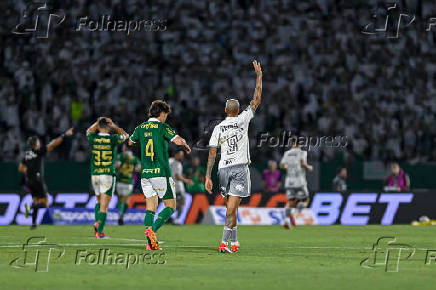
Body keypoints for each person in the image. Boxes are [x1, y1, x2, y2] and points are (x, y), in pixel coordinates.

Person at [205, 60, 262, 253]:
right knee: (231, 208)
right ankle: (223, 243)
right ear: (237, 111)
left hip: (222, 170)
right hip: (238, 169)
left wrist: (207, 176)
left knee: (231, 207)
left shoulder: (218, 127)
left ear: (225, 111)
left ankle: (234, 241)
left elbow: (212, 152)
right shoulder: (243, 119)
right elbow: (256, 99)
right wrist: (259, 76)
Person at [128, 100, 191, 250]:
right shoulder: (162, 127)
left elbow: (130, 142)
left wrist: (142, 141)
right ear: (162, 113)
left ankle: (150, 243)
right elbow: (177, 141)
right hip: (161, 173)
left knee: (151, 206)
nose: (165, 118)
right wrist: (185, 144)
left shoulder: (141, 128)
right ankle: (152, 231)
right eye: (165, 115)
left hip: (146, 175)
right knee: (171, 206)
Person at [19, 128, 74, 229]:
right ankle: (30, 207)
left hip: (29, 181)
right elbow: (53, 144)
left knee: (36, 201)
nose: (39, 143)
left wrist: (29, 171)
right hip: (38, 180)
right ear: (35, 144)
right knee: (46, 204)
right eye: (38, 142)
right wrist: (64, 135)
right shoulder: (39, 151)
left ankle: (34, 223)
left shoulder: (26, 154)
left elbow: (21, 168)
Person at [87, 117, 128, 239]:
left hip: (95, 174)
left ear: (98, 127)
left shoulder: (93, 138)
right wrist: (114, 126)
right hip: (108, 174)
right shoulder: (113, 139)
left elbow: (88, 131)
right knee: (104, 206)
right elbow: (126, 135)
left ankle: (97, 224)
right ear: (108, 127)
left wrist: (97, 121)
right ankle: (99, 231)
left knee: (99, 203)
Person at [280, 139, 313, 229]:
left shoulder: (287, 153)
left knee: (291, 201)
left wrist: (290, 167)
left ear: (292, 144)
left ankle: (286, 220)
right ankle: (294, 215)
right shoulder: (302, 153)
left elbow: (282, 165)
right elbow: (302, 163)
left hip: (289, 181)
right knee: (305, 200)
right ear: (299, 145)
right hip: (299, 181)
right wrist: (308, 167)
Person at [115, 143, 140, 225]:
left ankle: (119, 215)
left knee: (120, 199)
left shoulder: (120, 156)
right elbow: (138, 169)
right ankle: (122, 216)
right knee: (126, 200)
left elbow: (117, 166)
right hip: (129, 181)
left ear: (125, 147)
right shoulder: (135, 158)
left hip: (120, 180)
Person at [169, 150, 193, 224]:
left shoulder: (170, 161)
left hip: (172, 186)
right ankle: (175, 219)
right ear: (176, 154)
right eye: (180, 154)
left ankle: (171, 218)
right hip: (177, 187)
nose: (182, 156)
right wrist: (187, 181)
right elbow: (177, 176)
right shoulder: (176, 163)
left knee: (175, 204)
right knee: (181, 203)